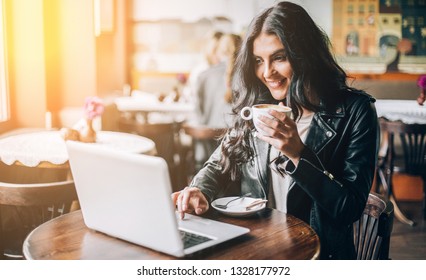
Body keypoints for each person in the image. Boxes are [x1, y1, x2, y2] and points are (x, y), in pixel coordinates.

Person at [173, 1, 379, 260]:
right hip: (258, 246)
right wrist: (199, 189)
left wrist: (298, 154)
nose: (267, 72)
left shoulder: (355, 112)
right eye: (259, 60)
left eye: (279, 58)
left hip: (318, 256)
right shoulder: (259, 107)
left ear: (305, 54)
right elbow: (220, 164)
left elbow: (348, 208)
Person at [190, 33, 242, 171]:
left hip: (208, 152)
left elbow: (199, 115)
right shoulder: (247, 77)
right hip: (238, 150)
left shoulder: (203, 76)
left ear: (219, 53)